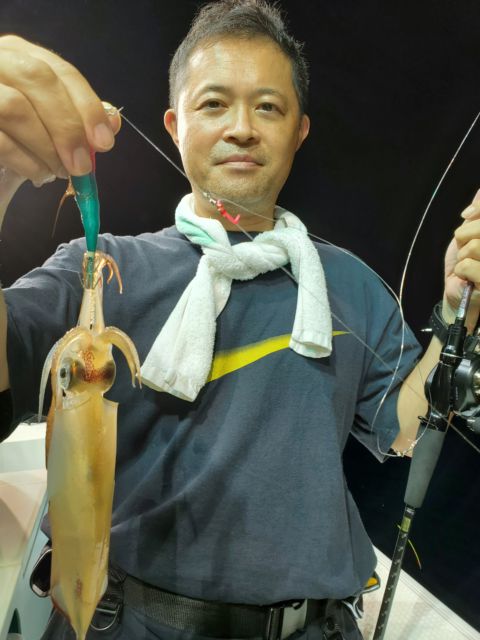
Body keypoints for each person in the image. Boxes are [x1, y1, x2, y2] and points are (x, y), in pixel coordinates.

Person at [0, 1, 480, 639]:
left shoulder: (352, 287)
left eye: (269, 107)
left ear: (299, 132)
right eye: (214, 104)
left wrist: (457, 309)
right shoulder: (98, 269)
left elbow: (401, 431)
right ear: (174, 125)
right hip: (126, 621)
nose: (242, 128)